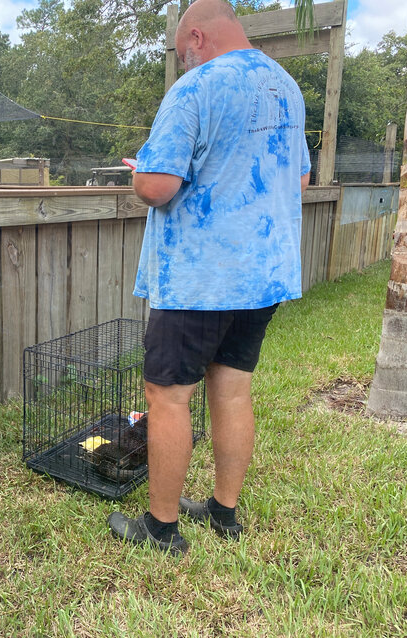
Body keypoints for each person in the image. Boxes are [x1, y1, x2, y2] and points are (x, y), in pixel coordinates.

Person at [107, 0, 311, 555]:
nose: (185, 63)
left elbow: (157, 187)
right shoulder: (285, 88)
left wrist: (140, 174)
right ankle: (224, 512)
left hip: (202, 277)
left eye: (183, 53)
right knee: (233, 388)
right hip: (264, 275)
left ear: (196, 36)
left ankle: (162, 527)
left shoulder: (195, 90)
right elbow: (298, 179)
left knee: (167, 396)